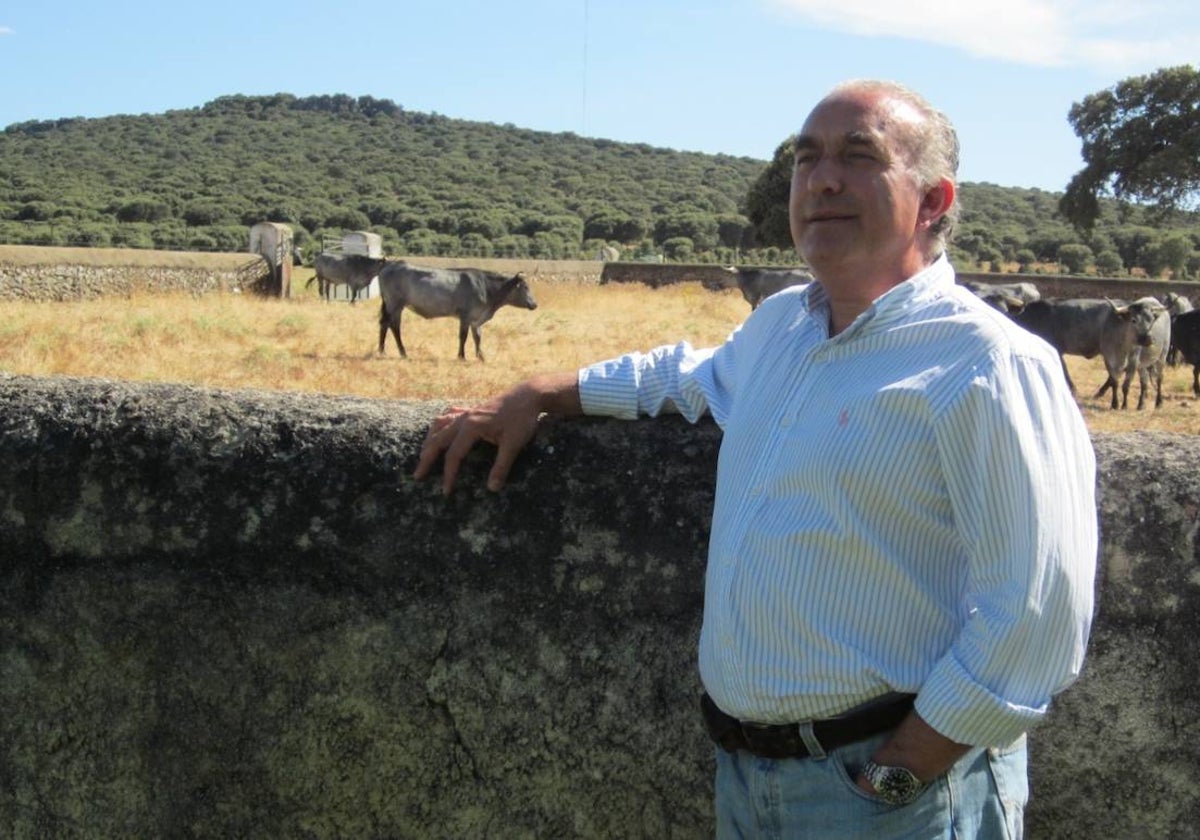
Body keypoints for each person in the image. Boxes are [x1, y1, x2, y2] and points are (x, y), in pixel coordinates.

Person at [414, 79, 1098, 839]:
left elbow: (1038, 613)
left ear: (933, 201)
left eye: (858, 156)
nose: (822, 178)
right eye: (808, 159)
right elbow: (676, 377)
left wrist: (898, 772)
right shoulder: (783, 327)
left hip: (890, 793)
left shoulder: (990, 362)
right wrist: (541, 391)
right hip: (748, 780)